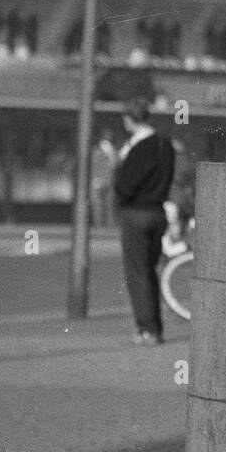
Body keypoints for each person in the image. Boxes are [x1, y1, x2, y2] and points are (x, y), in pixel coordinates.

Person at [112, 99, 175, 344]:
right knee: (149, 270)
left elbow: (126, 185)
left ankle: (147, 329)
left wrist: (121, 166)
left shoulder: (138, 148)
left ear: (128, 120)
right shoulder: (165, 145)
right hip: (158, 212)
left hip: (136, 212)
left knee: (136, 272)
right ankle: (155, 326)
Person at [90, 132, 117, 227]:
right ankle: (99, 225)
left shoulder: (113, 151)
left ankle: (109, 226)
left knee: (109, 205)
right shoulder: (96, 151)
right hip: (98, 182)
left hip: (108, 182)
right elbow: (94, 166)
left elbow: (114, 165)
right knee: (98, 206)